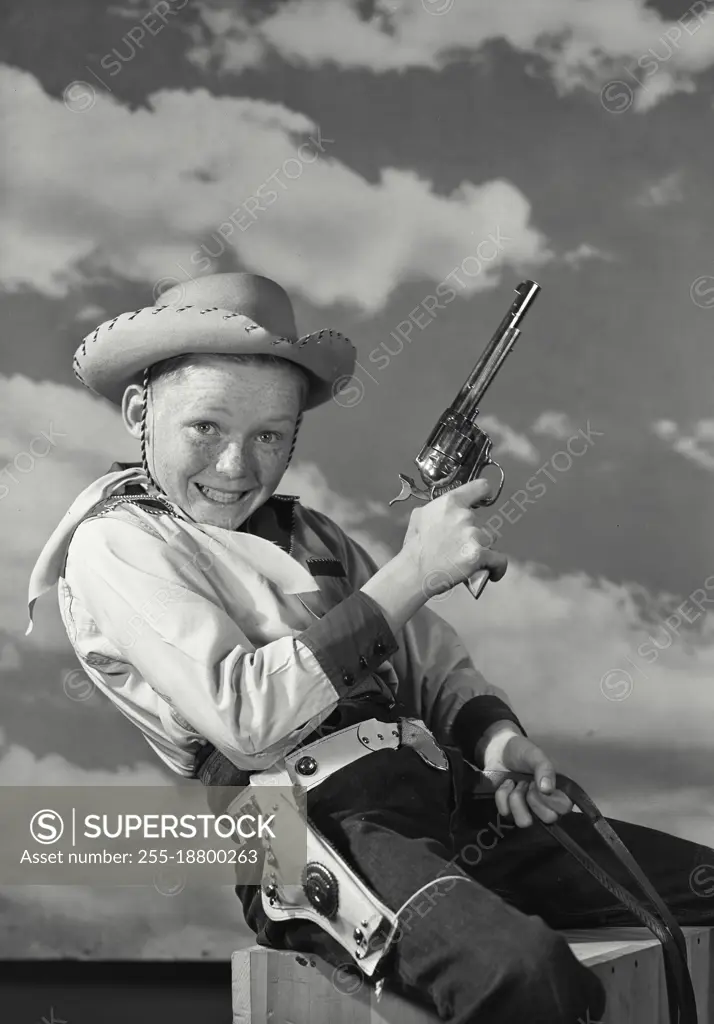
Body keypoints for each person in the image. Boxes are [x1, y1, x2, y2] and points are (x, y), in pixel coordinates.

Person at [26, 273, 714, 1024]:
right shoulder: (116, 543)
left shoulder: (311, 535)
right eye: (205, 429)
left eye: (269, 437)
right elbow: (248, 717)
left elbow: (426, 653)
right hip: (297, 826)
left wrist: (494, 737)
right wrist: (413, 570)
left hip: (439, 792)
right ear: (139, 411)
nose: (235, 468)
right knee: (525, 978)